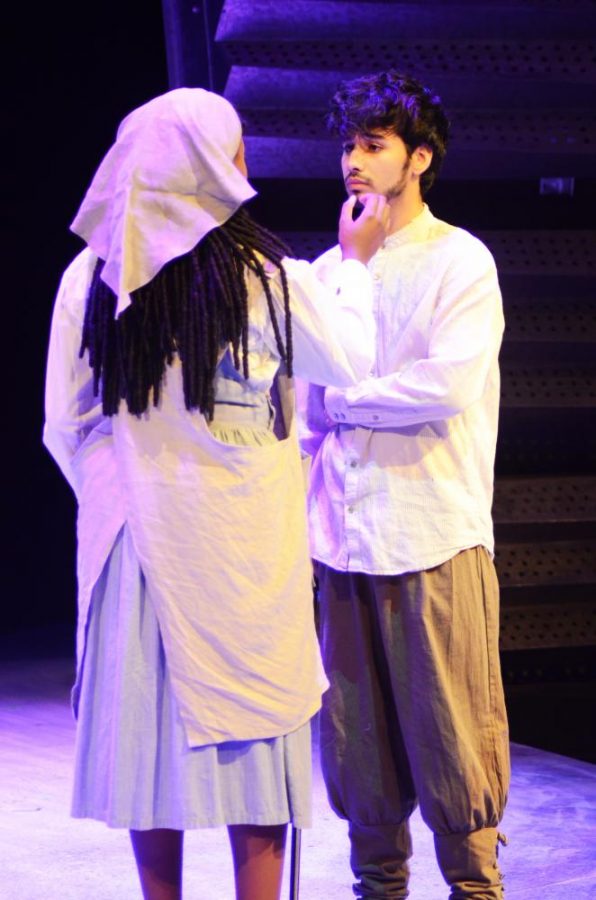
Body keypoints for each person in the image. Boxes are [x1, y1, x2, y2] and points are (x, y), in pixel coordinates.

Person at [43, 87, 390, 900]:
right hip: (237, 551)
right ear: (214, 163)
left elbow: (65, 420)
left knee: (146, 754)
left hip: (138, 547)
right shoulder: (265, 276)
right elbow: (348, 364)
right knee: (255, 749)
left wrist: (121, 488)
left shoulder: (90, 277)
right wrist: (358, 266)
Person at [297, 71, 510, 899]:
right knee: (358, 748)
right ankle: (376, 885)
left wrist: (344, 402)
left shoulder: (461, 261)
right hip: (344, 542)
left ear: (418, 158)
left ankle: (475, 887)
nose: (353, 160)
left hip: (431, 538)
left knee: (455, 743)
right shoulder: (328, 270)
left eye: (374, 145)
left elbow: (445, 385)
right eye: (348, 144)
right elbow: (304, 410)